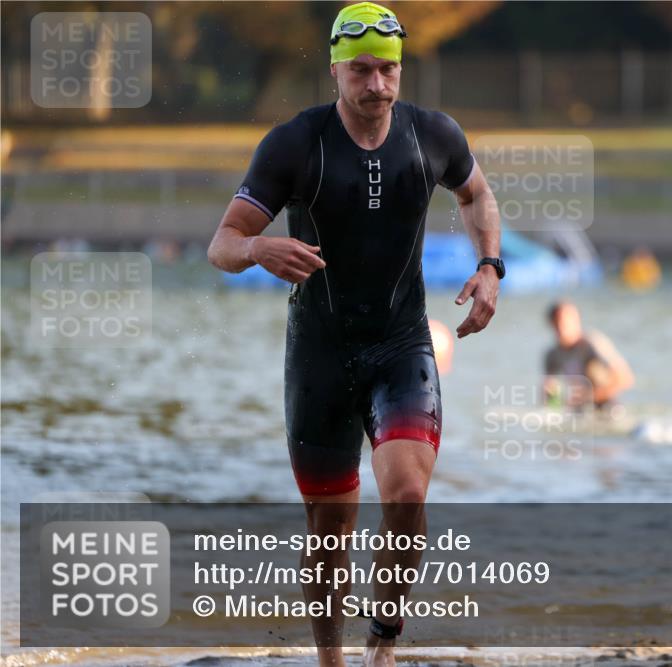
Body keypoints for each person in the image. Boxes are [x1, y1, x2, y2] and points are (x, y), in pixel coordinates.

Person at [206, 4, 502, 666]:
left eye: (388, 69)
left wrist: (489, 267)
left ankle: (384, 641)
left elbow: (477, 196)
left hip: (400, 347)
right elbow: (220, 245)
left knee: (405, 494)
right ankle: (331, 661)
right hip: (319, 355)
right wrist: (258, 249)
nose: (377, 85)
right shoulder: (295, 143)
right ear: (336, 68)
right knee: (330, 529)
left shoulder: (433, 135)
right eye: (362, 71)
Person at [543, 301, 634, 410]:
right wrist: (555, 405)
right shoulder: (552, 355)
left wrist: (589, 397)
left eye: (565, 322)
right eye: (557, 323)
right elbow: (550, 393)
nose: (562, 328)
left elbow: (625, 378)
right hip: (578, 409)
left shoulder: (592, 343)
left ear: (577, 320)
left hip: (606, 408)